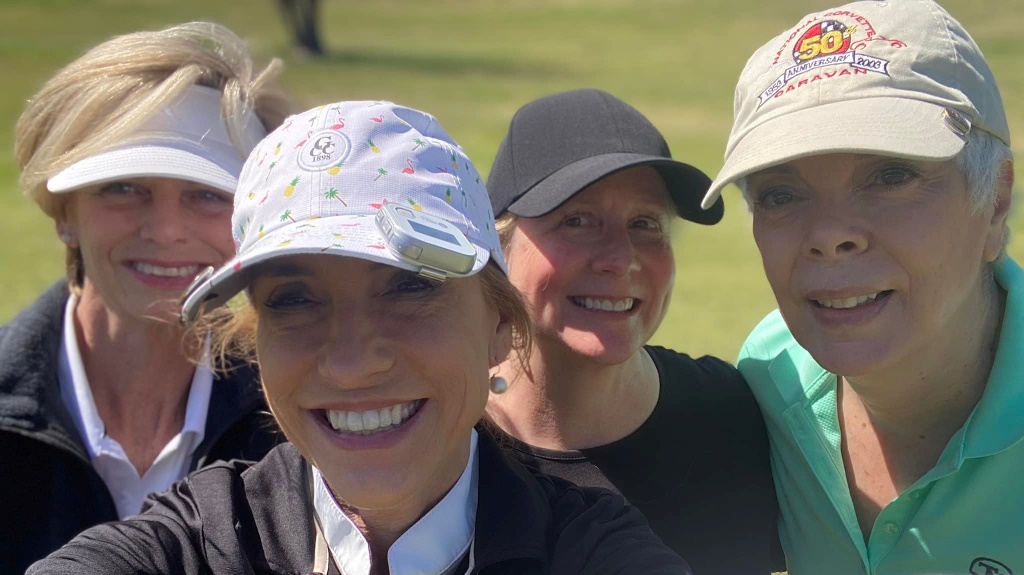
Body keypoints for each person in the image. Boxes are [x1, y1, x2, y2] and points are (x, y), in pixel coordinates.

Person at [29, 100, 691, 574]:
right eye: (294, 299)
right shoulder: (203, 535)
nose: (350, 360)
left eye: (409, 286)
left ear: (498, 324)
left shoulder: (591, 547)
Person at [700, 0, 1019, 572]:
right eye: (780, 194)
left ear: (994, 202)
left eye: (891, 176)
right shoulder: (770, 374)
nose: (830, 236)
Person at [0, 22, 292, 573]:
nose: (165, 230)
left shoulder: (304, 416)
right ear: (64, 211)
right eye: (124, 188)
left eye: (206, 194)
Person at [483, 88, 781, 574]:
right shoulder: (439, 441)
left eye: (646, 223)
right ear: (501, 245)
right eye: (576, 220)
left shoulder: (739, 420)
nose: (620, 259)